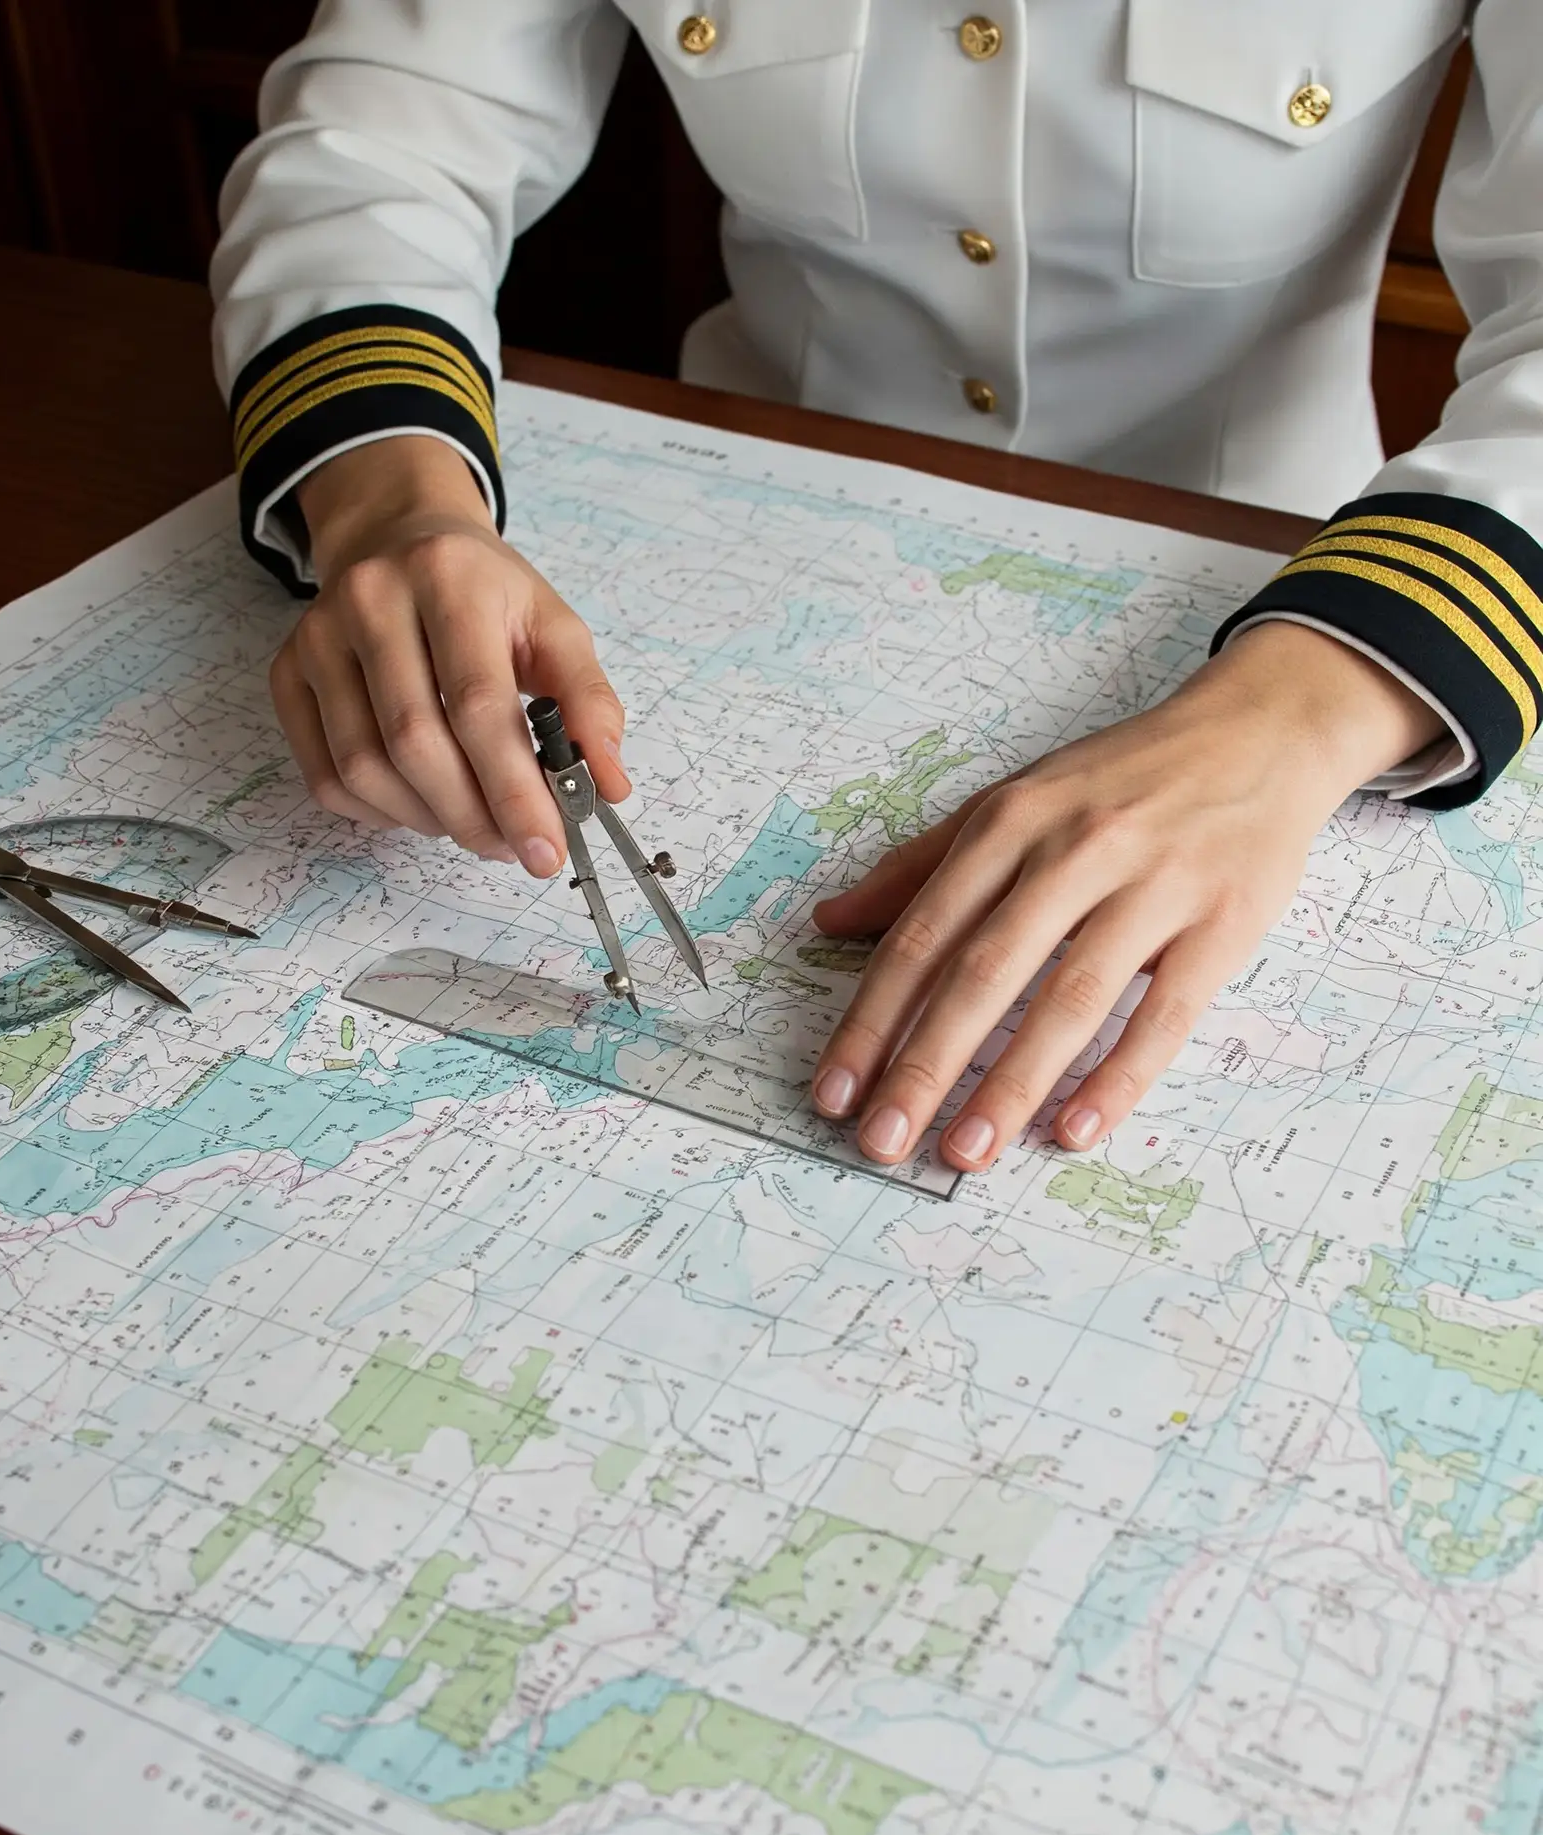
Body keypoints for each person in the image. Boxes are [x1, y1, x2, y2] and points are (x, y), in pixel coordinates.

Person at [208, 1, 1542, 1173]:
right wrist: (387, 502)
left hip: (1302, 605)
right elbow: (384, 140)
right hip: (731, 571)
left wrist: (1293, 718)